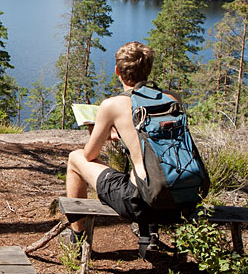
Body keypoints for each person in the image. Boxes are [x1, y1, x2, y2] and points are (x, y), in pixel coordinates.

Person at [64, 41, 190, 249]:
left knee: (76, 158)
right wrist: (122, 135)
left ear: (117, 71)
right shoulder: (173, 99)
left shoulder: (113, 105)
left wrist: (103, 134)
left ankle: (77, 237)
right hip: (185, 197)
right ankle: (150, 230)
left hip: (141, 203)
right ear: (148, 70)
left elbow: (89, 155)